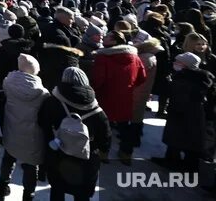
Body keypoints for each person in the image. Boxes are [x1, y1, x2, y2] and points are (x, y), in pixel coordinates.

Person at [38, 67, 111, 201]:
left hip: (58, 156)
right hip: (86, 160)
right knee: (82, 194)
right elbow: (105, 138)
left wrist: (51, 143)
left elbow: (42, 123)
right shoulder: (97, 110)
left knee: (57, 190)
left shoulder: (52, 101)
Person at [153, 52, 215, 172]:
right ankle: (185, 165)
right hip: (193, 115)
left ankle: (177, 163)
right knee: (189, 142)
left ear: (186, 65)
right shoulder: (199, 78)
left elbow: (181, 97)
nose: (175, 64)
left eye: (178, 62)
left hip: (182, 114)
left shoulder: (184, 80)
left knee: (178, 139)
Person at [0, 54, 49, 200]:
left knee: (8, 159)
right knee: (31, 166)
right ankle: (28, 194)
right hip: (31, 135)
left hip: (11, 128)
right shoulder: (42, 92)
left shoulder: (8, 82)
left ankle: (3, 187)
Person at [92, 29, 146, 164]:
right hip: (126, 97)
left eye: (108, 37)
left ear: (115, 41)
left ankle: (103, 153)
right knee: (124, 126)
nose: (104, 37)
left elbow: (98, 80)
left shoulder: (102, 57)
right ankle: (126, 154)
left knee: (105, 127)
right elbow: (142, 77)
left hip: (105, 97)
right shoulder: (135, 57)